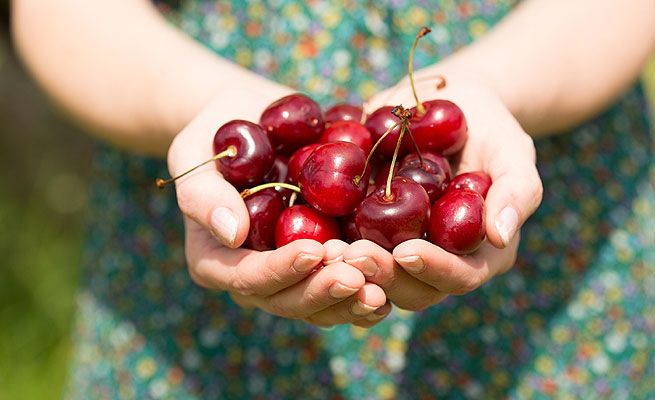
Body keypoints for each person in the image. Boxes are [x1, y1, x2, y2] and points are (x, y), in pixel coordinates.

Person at [12, 0, 655, 398]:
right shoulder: (256, 166)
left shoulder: (430, 160)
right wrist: (195, 101)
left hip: (553, 221)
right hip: (203, 260)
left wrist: (494, 86)